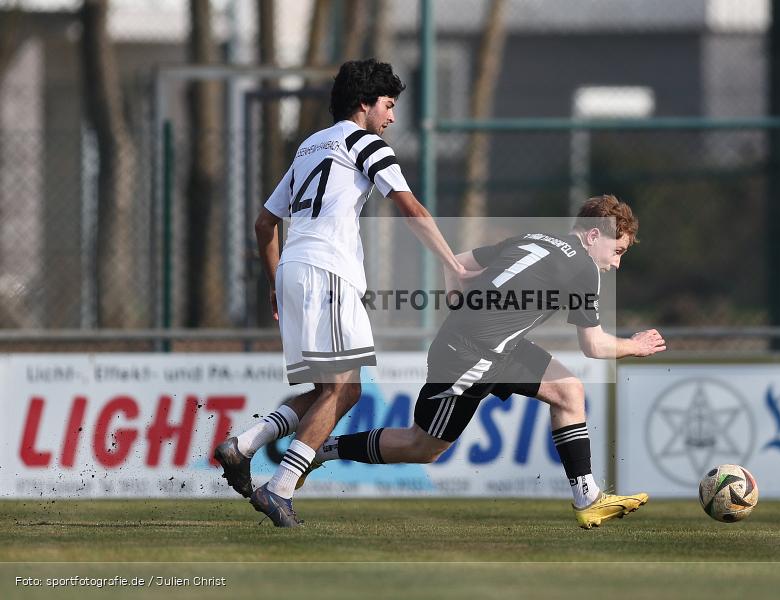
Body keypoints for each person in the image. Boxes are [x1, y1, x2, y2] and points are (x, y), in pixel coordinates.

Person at [213, 58, 472, 527]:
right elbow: (410, 207)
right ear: (364, 104)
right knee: (345, 390)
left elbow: (264, 221)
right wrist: (452, 263)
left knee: (330, 389)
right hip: (328, 271)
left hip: (294, 267)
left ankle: (243, 445)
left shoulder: (310, 146)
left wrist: (275, 282)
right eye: (388, 106)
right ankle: (280, 487)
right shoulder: (365, 143)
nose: (391, 118)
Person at [309, 195, 666, 529]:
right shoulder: (584, 269)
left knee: (569, 391)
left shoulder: (533, 237)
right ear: (593, 235)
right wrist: (635, 346)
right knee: (423, 446)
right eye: (617, 251)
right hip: (470, 357)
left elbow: (458, 262)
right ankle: (324, 449)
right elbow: (594, 345)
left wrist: (458, 295)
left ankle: (587, 498)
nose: (616, 263)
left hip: (499, 348)